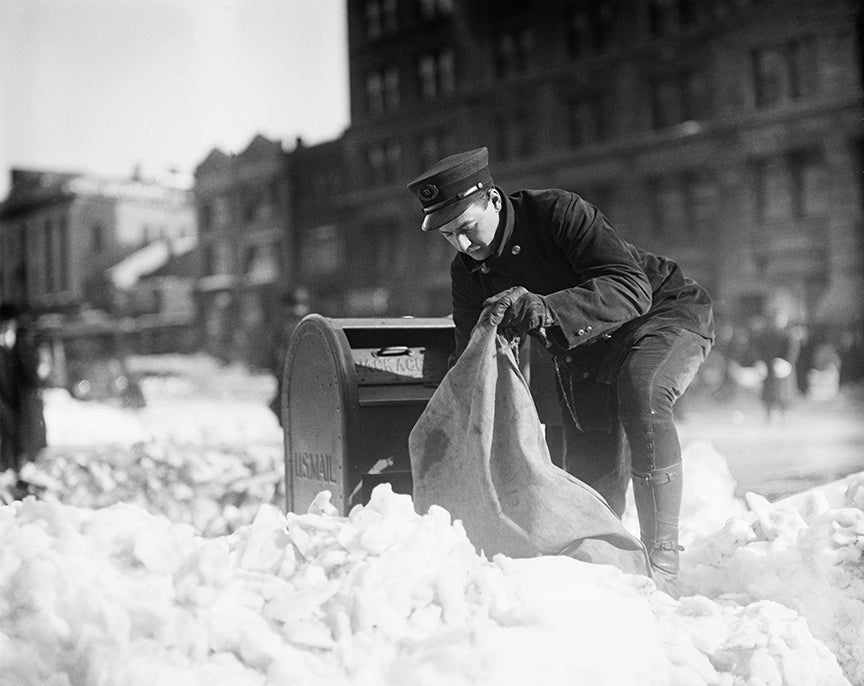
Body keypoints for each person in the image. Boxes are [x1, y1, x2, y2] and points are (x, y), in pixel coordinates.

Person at [407, 148, 714, 595]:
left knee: (642, 391)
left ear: (492, 199)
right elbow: (468, 357)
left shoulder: (557, 212)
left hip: (663, 314)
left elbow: (631, 288)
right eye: (449, 236)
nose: (463, 245)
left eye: (467, 228)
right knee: (590, 486)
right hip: (585, 351)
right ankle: (614, 574)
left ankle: (663, 564)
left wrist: (546, 309)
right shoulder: (468, 273)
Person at [0, 302, 46, 474]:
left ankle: (16, 466)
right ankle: (12, 466)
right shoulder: (17, 340)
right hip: (12, 395)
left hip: (19, 394)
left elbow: (27, 371)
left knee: (19, 431)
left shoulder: (21, 340)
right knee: (13, 430)